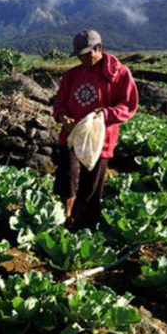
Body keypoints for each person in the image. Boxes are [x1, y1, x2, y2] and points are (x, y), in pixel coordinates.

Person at [52, 29, 138, 230]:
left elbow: (128, 105)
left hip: (100, 141)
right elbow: (59, 103)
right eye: (79, 55)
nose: (82, 58)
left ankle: (84, 228)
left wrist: (106, 115)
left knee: (91, 187)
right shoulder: (72, 75)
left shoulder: (119, 73)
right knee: (68, 180)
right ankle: (64, 220)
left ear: (99, 48)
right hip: (72, 137)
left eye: (86, 53)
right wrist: (62, 117)